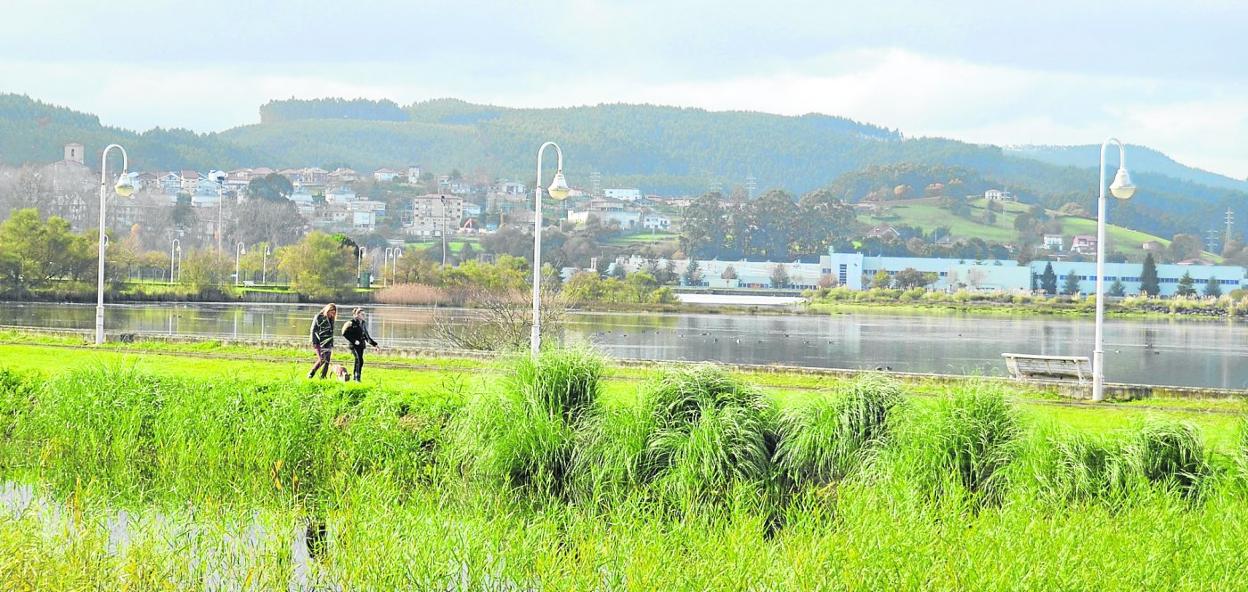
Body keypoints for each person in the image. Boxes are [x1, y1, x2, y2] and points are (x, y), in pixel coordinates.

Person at [342, 307, 379, 381]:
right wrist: (354, 341)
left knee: (358, 360)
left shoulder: (363, 323)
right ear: (357, 315)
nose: (363, 316)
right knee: (360, 360)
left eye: (364, 314)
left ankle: (356, 377)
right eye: (362, 314)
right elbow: (344, 333)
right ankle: (357, 378)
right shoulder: (351, 323)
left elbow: (366, 335)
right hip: (354, 345)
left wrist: (374, 344)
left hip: (361, 345)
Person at [308, 303, 337, 379]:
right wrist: (314, 342)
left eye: (334, 313)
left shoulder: (331, 319)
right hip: (319, 341)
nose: (333, 314)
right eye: (332, 312)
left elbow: (331, 332)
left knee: (327, 360)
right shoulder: (319, 317)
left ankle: (323, 376)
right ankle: (311, 372)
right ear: (328, 310)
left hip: (328, 342)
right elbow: (313, 330)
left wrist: (331, 343)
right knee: (322, 359)